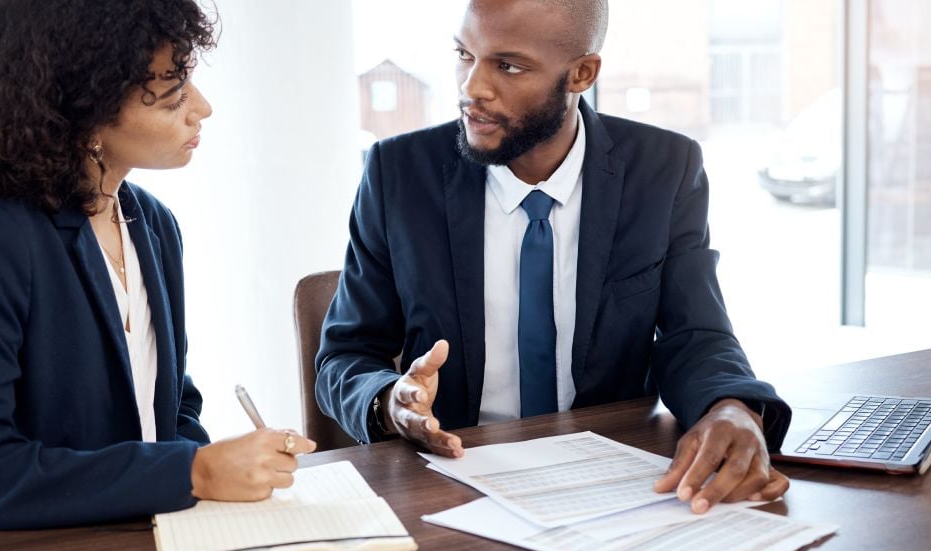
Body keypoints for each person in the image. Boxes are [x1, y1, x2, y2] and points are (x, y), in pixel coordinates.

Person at [316, 0, 790, 514]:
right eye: (464, 55)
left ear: (582, 73)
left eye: (508, 65)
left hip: (614, 478)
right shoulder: (399, 173)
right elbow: (346, 355)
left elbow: (695, 333)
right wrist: (390, 402)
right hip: (452, 479)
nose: (471, 87)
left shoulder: (665, 169)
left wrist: (732, 406)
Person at [0, 0, 315, 530]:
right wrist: (194, 472)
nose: (202, 108)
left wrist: (225, 474)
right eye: (172, 94)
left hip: (152, 550)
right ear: (87, 111)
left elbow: (171, 411)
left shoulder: (155, 225)